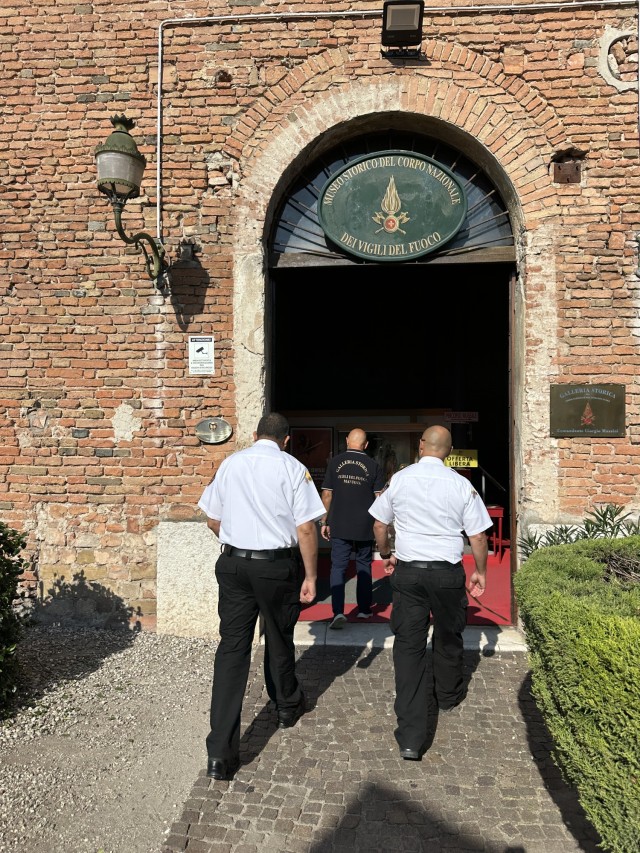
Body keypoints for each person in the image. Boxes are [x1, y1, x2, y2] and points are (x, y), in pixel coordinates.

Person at [197, 412, 325, 780]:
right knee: (280, 636)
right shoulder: (293, 468)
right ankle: (286, 705)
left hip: (234, 565)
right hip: (275, 566)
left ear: (255, 435)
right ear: (287, 439)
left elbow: (212, 520)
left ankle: (220, 754)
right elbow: (305, 528)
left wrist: (239, 541)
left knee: (232, 650)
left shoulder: (230, 464)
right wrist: (312, 575)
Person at [368, 424, 491, 761]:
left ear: (422, 446)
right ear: (448, 452)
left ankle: (410, 736)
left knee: (408, 646)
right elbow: (478, 537)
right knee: (449, 635)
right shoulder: (461, 485)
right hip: (447, 573)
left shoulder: (401, 480)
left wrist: (384, 552)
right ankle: (448, 695)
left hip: (409, 572)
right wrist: (480, 571)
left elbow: (380, 524)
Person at [320, 428, 386, 628]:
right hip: (365, 524)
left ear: (347, 440)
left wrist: (324, 521)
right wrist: (381, 525)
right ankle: (365, 610)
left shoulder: (334, 462)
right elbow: (379, 498)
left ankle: (338, 612)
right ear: (365, 445)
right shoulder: (374, 465)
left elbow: (327, 495)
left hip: (340, 522)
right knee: (364, 565)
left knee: (338, 567)